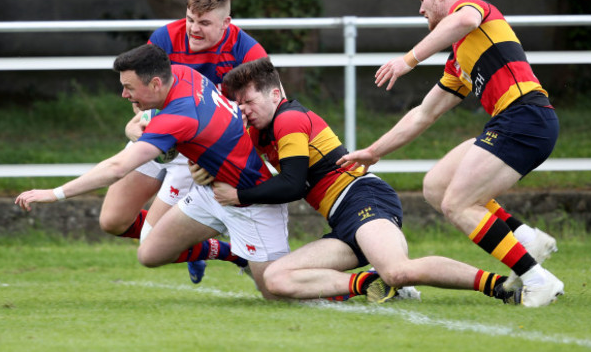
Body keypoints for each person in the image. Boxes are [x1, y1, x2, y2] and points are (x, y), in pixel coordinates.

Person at [194, 57, 520, 304]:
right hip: (341, 220)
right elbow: (227, 153)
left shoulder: (289, 118)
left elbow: (292, 184)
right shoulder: (258, 130)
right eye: (239, 104)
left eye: (249, 102)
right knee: (276, 281)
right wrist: (204, 166)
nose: (244, 110)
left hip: (364, 199)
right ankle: (368, 284)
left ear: (276, 93)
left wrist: (240, 195)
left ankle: (502, 286)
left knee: (398, 269)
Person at [336, 0, 564, 307]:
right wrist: (373, 152)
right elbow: (423, 114)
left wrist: (408, 60)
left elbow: (465, 19)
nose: (421, 8)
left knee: (457, 203)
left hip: (526, 118)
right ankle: (526, 238)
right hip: (513, 122)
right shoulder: (459, 58)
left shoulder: (474, 11)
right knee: (436, 185)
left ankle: (534, 278)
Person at [15, 45, 290, 299]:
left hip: (249, 200)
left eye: (128, 87)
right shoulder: (183, 74)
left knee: (278, 293)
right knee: (149, 252)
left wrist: (54, 193)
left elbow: (117, 168)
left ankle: (332, 284)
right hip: (212, 191)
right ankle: (234, 254)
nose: (124, 95)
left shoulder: (178, 117)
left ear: (156, 83)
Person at [99, 0, 269, 283]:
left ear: (227, 23)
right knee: (112, 221)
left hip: (203, 152)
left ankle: (218, 246)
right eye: (190, 19)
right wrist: (137, 122)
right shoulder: (164, 38)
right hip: (162, 135)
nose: (193, 29)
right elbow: (142, 93)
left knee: (151, 246)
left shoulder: (249, 52)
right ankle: (223, 251)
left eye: (204, 23)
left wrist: (213, 160)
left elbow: (264, 116)